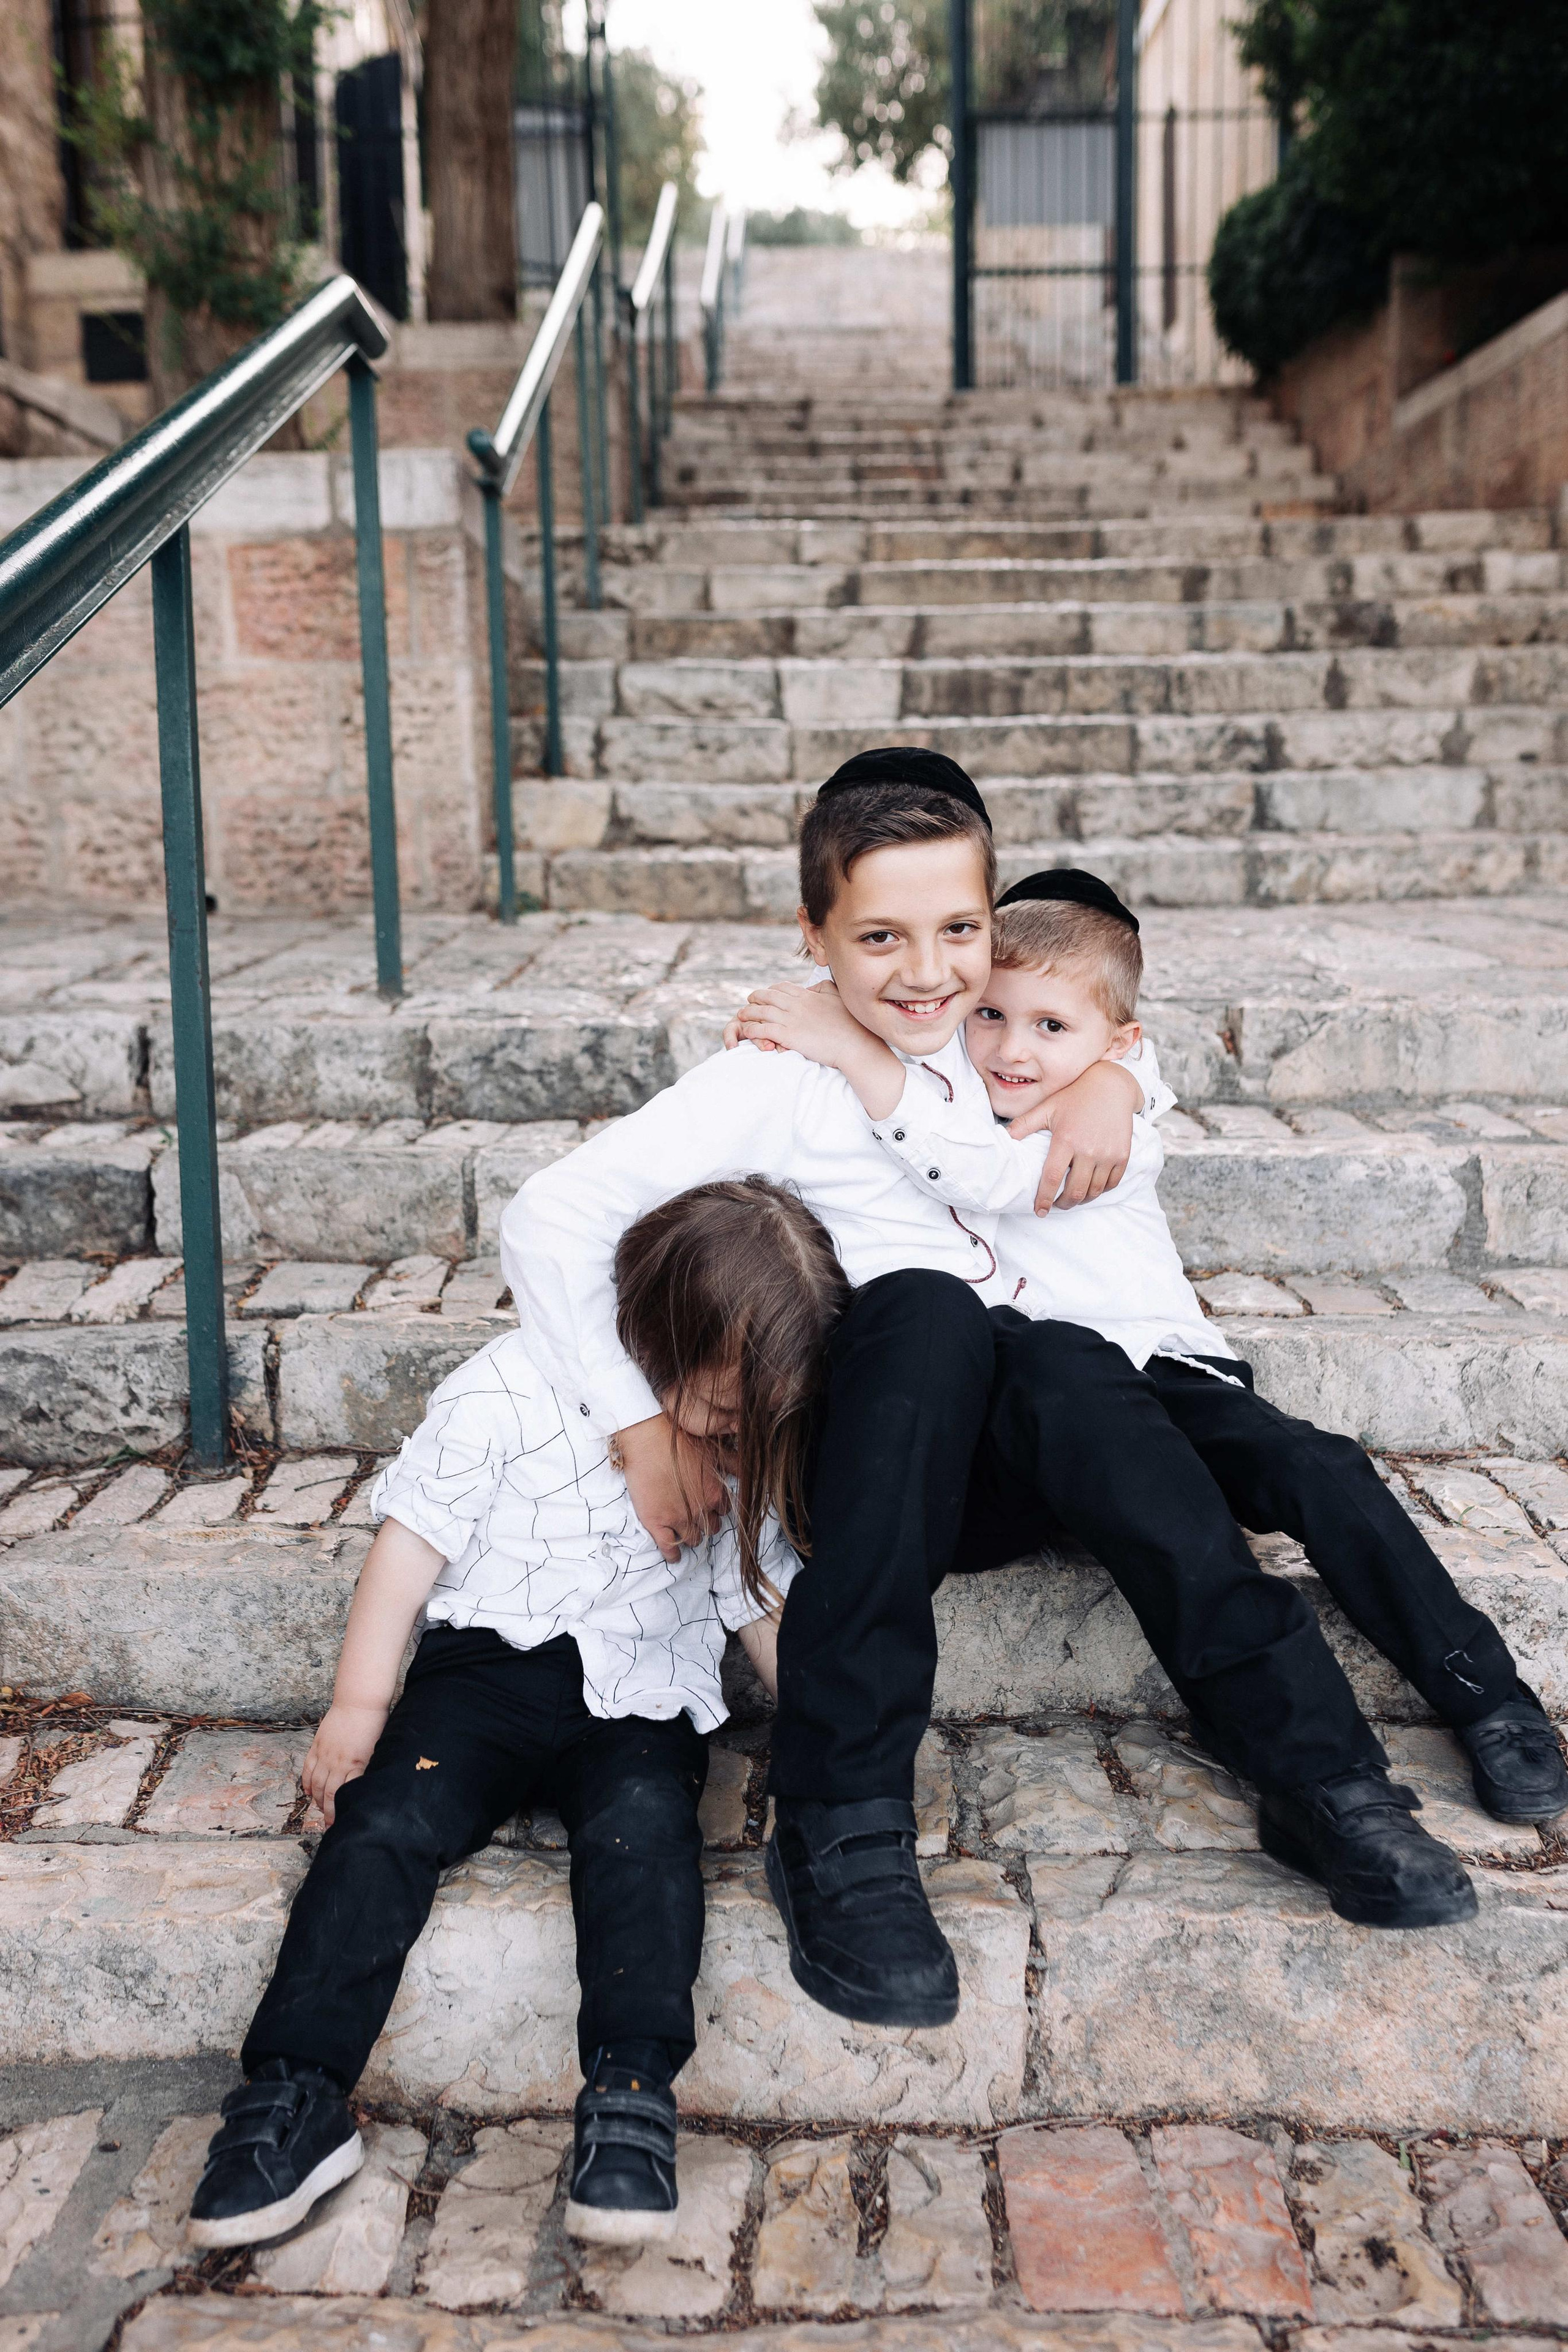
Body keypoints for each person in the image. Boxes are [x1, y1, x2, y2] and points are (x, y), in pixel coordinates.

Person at [732, 864, 1568, 1927]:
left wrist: (1118, 1082)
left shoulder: (1096, 1112)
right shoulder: (947, 1097)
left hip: (1164, 1375)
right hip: (1024, 1405)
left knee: (1315, 1465)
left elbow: (1090, 1051)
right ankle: (1330, 1776)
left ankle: (1482, 1692)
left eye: (1044, 1029)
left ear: (1111, 1045)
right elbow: (917, 1002)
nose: (1009, 1047)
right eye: (989, 1017)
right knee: (1056, 1370)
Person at [501, 749, 1163, 2032]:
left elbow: (1110, 1016)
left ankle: (1321, 1765)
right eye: (878, 938)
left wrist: (1121, 1079)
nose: (926, 973)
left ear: (988, 925)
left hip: (1015, 1446)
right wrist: (639, 1425)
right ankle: (844, 1814)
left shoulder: (1003, 1042)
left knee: (1191, 1424)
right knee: (917, 1311)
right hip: (872, 1463)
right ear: (815, 942)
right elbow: (550, 1215)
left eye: (956, 931)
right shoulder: (779, 1074)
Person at [187, 1177, 845, 2253]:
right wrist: (360, 1703)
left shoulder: (742, 1455)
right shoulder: (506, 1388)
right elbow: (410, 1548)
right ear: (659, 1335)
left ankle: (631, 2096)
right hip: (480, 1681)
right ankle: (295, 2093)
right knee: (387, 1823)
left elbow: (757, 1607)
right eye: (728, 1413)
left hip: (641, 1698)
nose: (738, 1438)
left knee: (644, 1834)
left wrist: (828, 1724)